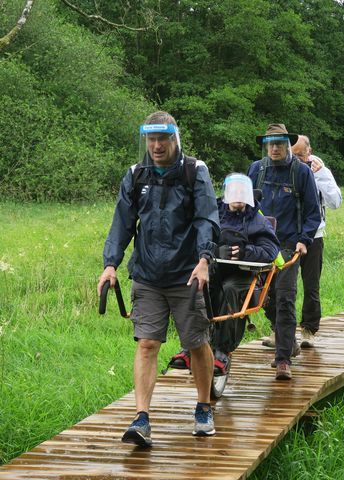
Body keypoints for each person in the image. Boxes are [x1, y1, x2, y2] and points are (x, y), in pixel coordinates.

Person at [97, 111, 220, 447]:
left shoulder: (195, 172)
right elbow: (121, 222)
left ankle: (204, 406)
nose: (155, 146)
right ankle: (141, 418)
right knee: (147, 343)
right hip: (148, 275)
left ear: (173, 139)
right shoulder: (136, 175)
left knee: (196, 343)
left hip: (186, 275)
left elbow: (207, 219)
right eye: (150, 140)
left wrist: (205, 260)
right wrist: (110, 264)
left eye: (161, 139)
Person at [170, 173, 280, 376]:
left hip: (243, 274)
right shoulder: (213, 217)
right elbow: (195, 239)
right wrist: (213, 250)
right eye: (234, 191)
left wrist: (246, 252)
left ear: (248, 195)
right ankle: (190, 347)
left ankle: (222, 351)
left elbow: (271, 250)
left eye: (242, 191)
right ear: (226, 194)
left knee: (230, 290)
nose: (238, 195)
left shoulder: (258, 220)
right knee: (199, 288)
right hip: (215, 269)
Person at [248, 124, 321, 380]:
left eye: (280, 143)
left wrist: (305, 240)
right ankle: (287, 342)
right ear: (266, 146)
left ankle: (282, 360)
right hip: (259, 246)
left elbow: (314, 212)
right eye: (271, 144)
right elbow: (246, 207)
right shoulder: (256, 170)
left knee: (285, 298)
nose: (275, 148)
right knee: (262, 298)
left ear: (288, 145)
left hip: (289, 245)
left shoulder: (301, 173)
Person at [290, 135, 342, 348]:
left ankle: (309, 330)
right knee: (283, 286)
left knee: (311, 286)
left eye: (301, 155)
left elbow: (335, 202)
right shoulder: (284, 168)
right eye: (294, 155)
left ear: (309, 152)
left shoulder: (320, 170)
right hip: (288, 236)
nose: (298, 159)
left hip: (314, 237)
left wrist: (319, 177)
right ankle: (281, 330)